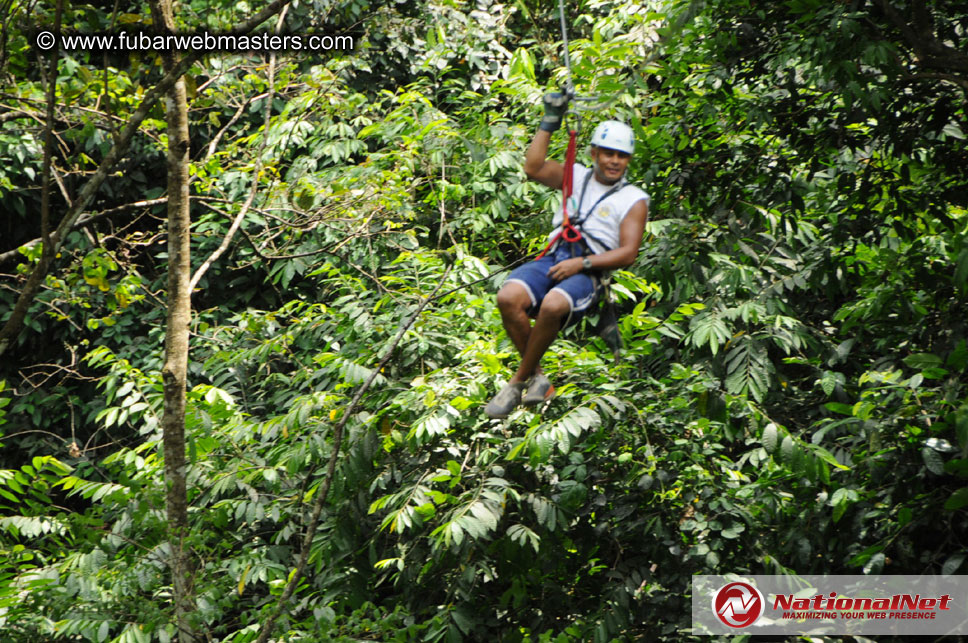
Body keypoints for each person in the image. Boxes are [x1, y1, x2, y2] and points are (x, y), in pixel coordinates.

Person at [484, 93, 651, 419]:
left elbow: (629, 252)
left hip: (589, 269)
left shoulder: (633, 198)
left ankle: (517, 381)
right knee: (507, 297)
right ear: (594, 153)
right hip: (556, 254)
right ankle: (538, 378)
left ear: (628, 160)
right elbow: (532, 168)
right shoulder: (576, 176)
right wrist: (550, 121)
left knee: (554, 305)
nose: (614, 161)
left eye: (622, 156)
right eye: (608, 154)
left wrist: (583, 263)